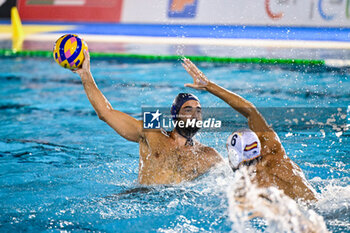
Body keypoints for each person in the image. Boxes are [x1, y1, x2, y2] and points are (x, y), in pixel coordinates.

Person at [73, 50, 223, 185]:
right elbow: (106, 113)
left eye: (198, 111)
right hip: (139, 199)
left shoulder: (208, 155)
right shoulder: (152, 133)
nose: (195, 115)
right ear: (175, 115)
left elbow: (234, 178)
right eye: (188, 110)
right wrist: (85, 74)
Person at [182, 58, 317, 202]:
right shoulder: (274, 152)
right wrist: (209, 86)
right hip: (320, 204)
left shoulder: (251, 187)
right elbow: (251, 111)